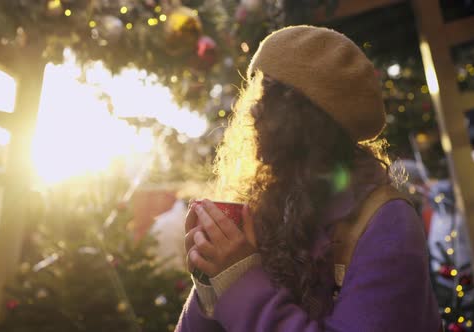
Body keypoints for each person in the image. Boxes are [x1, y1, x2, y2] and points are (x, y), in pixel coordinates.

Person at [175, 26, 441, 331]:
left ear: (311, 122)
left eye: (272, 97)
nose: (255, 112)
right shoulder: (271, 201)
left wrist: (239, 280)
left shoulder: (386, 222)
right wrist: (211, 278)